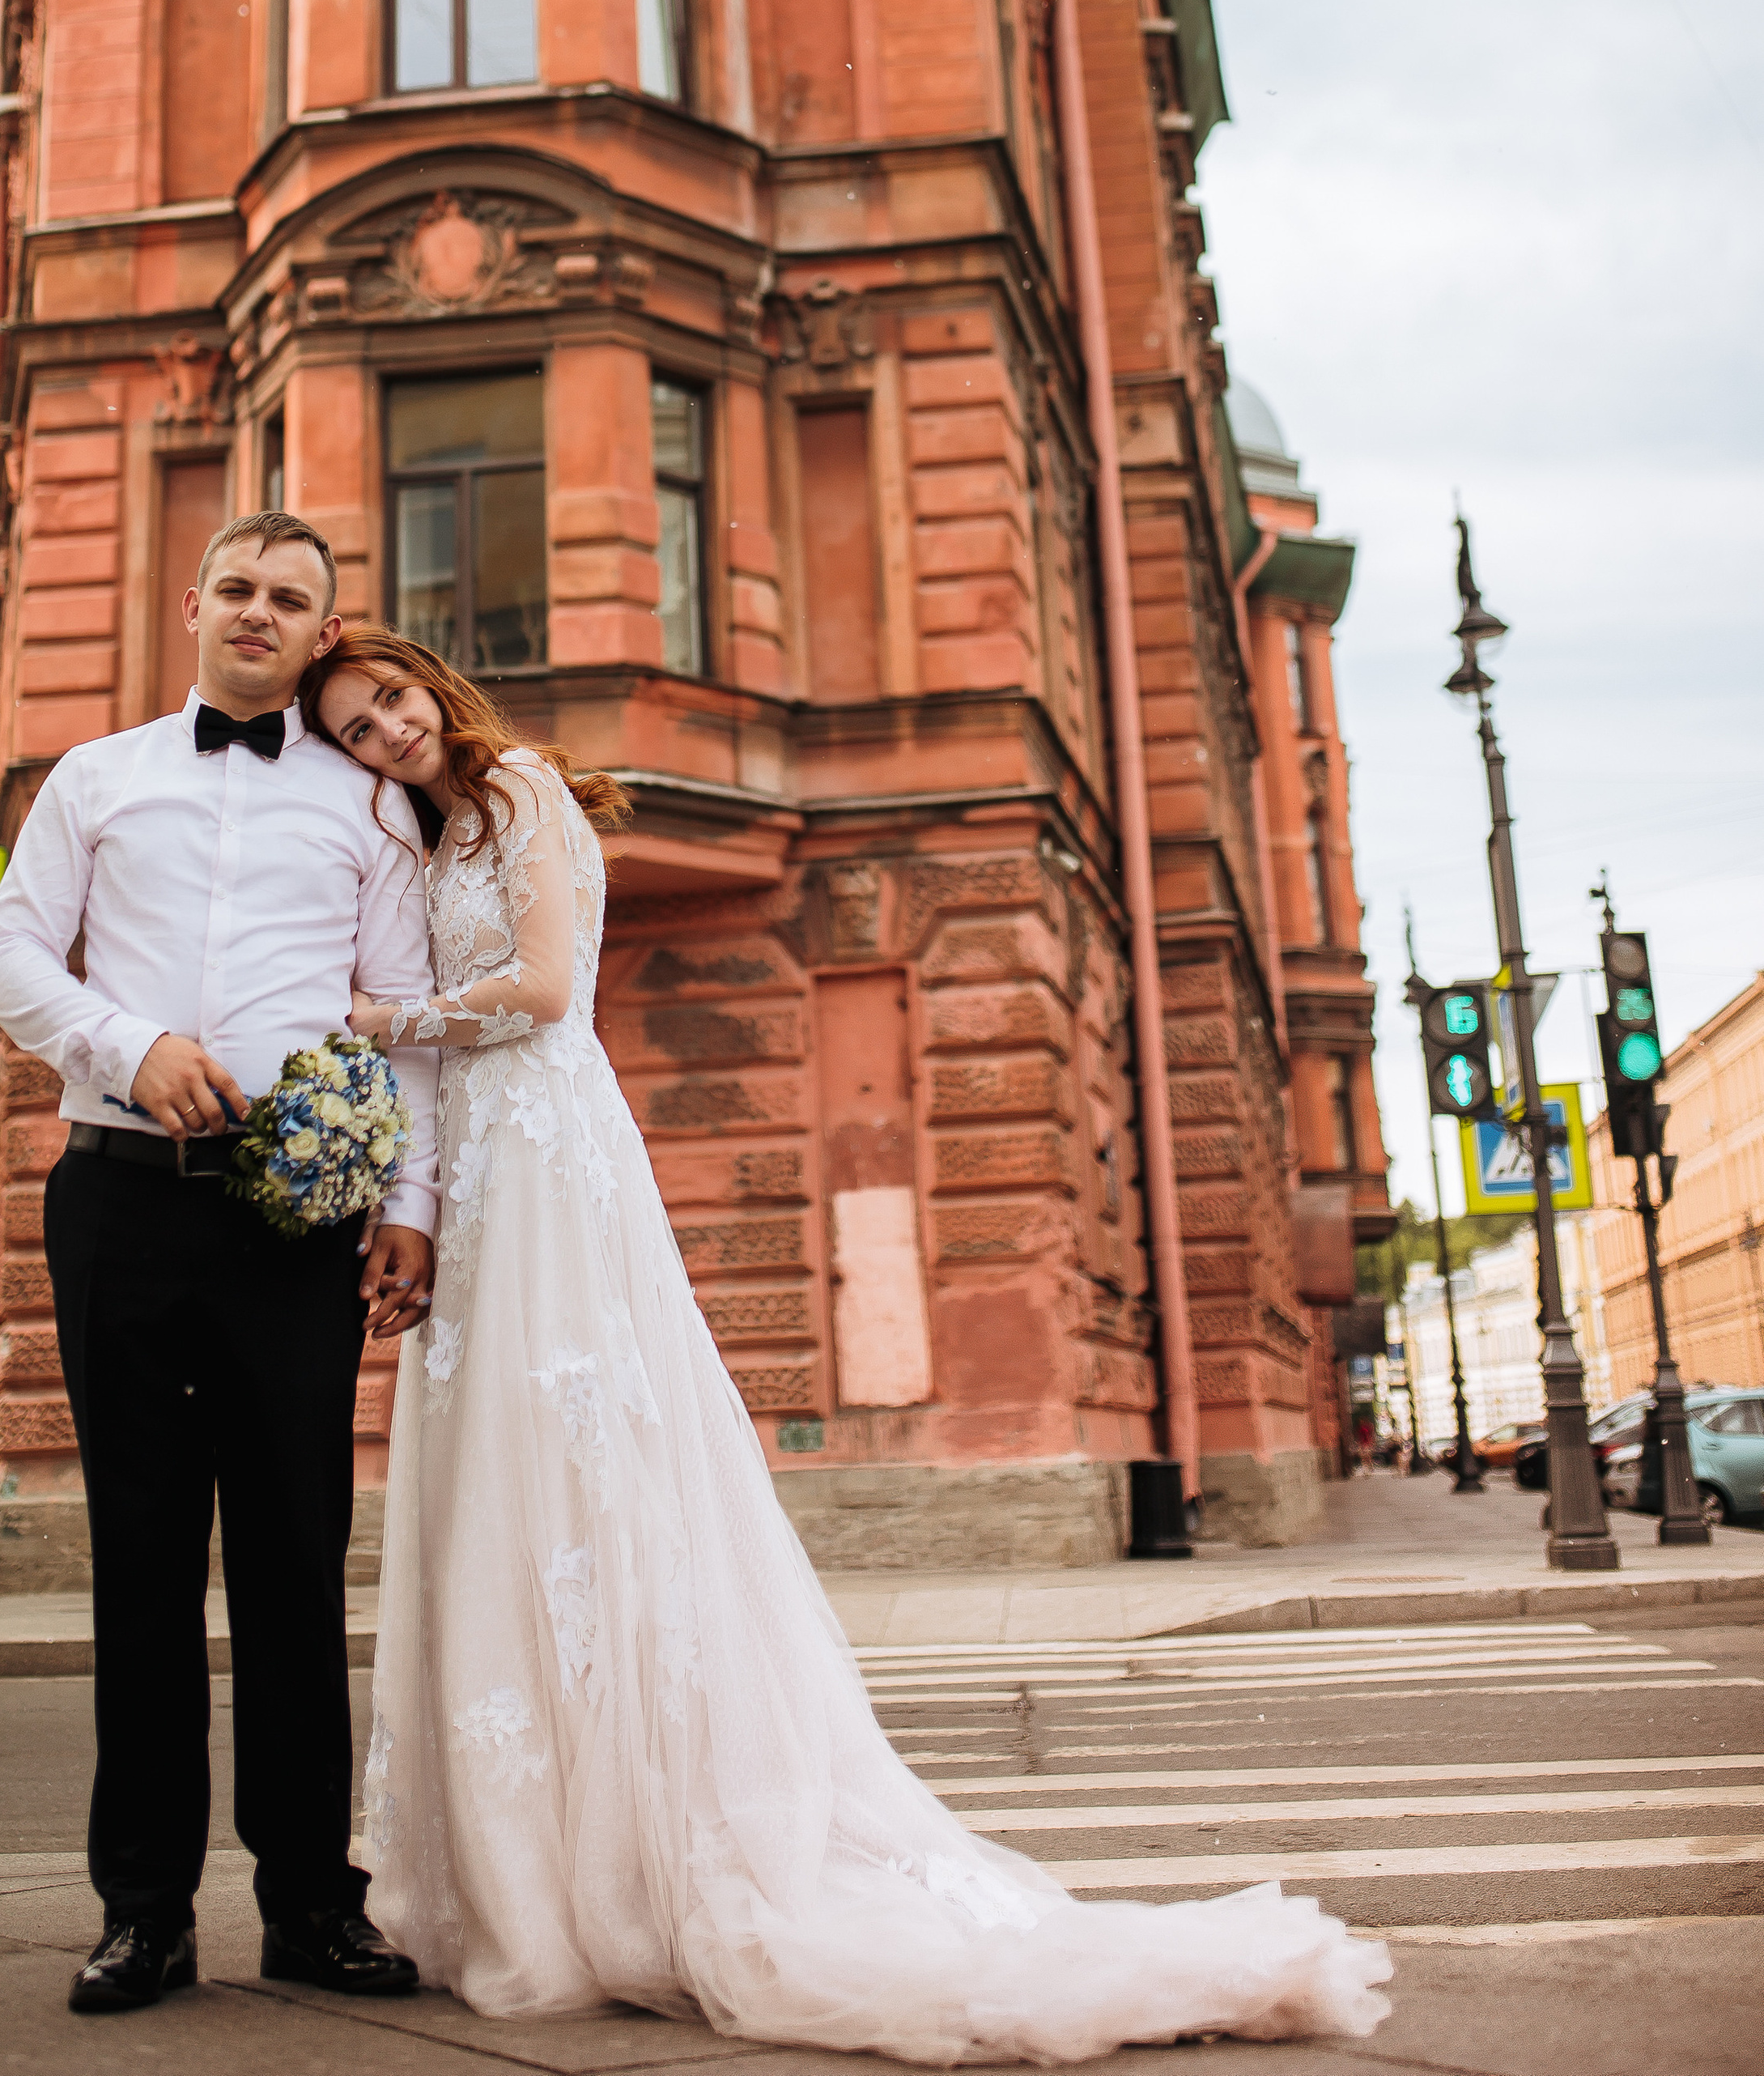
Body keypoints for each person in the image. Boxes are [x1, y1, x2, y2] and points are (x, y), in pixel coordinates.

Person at [304, 626, 1395, 2064]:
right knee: (507, 1474)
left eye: (389, 701)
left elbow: (549, 991)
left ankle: (633, 1847)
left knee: (585, 1452)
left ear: (428, 685)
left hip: (554, 1148)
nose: (385, 732)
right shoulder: (434, 836)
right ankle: (537, 1858)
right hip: (492, 1163)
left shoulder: (517, 791)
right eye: (356, 728)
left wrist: (386, 1014)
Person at [0, 516, 442, 2016]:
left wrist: (410, 1202)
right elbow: (7, 958)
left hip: (293, 1224)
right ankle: (143, 1913)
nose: (258, 612)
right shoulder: (94, 778)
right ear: (194, 603)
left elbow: (402, 1011)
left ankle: (310, 1902)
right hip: (119, 1205)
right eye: (237, 587)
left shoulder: (372, 807)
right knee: (144, 1562)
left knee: (296, 1562)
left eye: (289, 599)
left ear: (322, 633)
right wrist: (130, 1047)